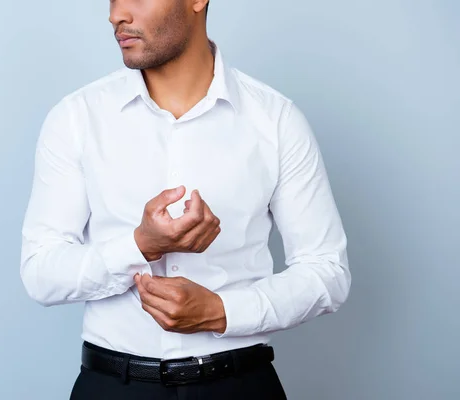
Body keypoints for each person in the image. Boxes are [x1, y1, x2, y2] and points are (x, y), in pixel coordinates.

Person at [20, 0, 351, 398]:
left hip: (240, 386)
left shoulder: (275, 120)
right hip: (113, 388)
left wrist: (221, 312)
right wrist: (140, 246)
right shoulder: (76, 118)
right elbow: (41, 273)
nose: (116, 15)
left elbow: (327, 272)